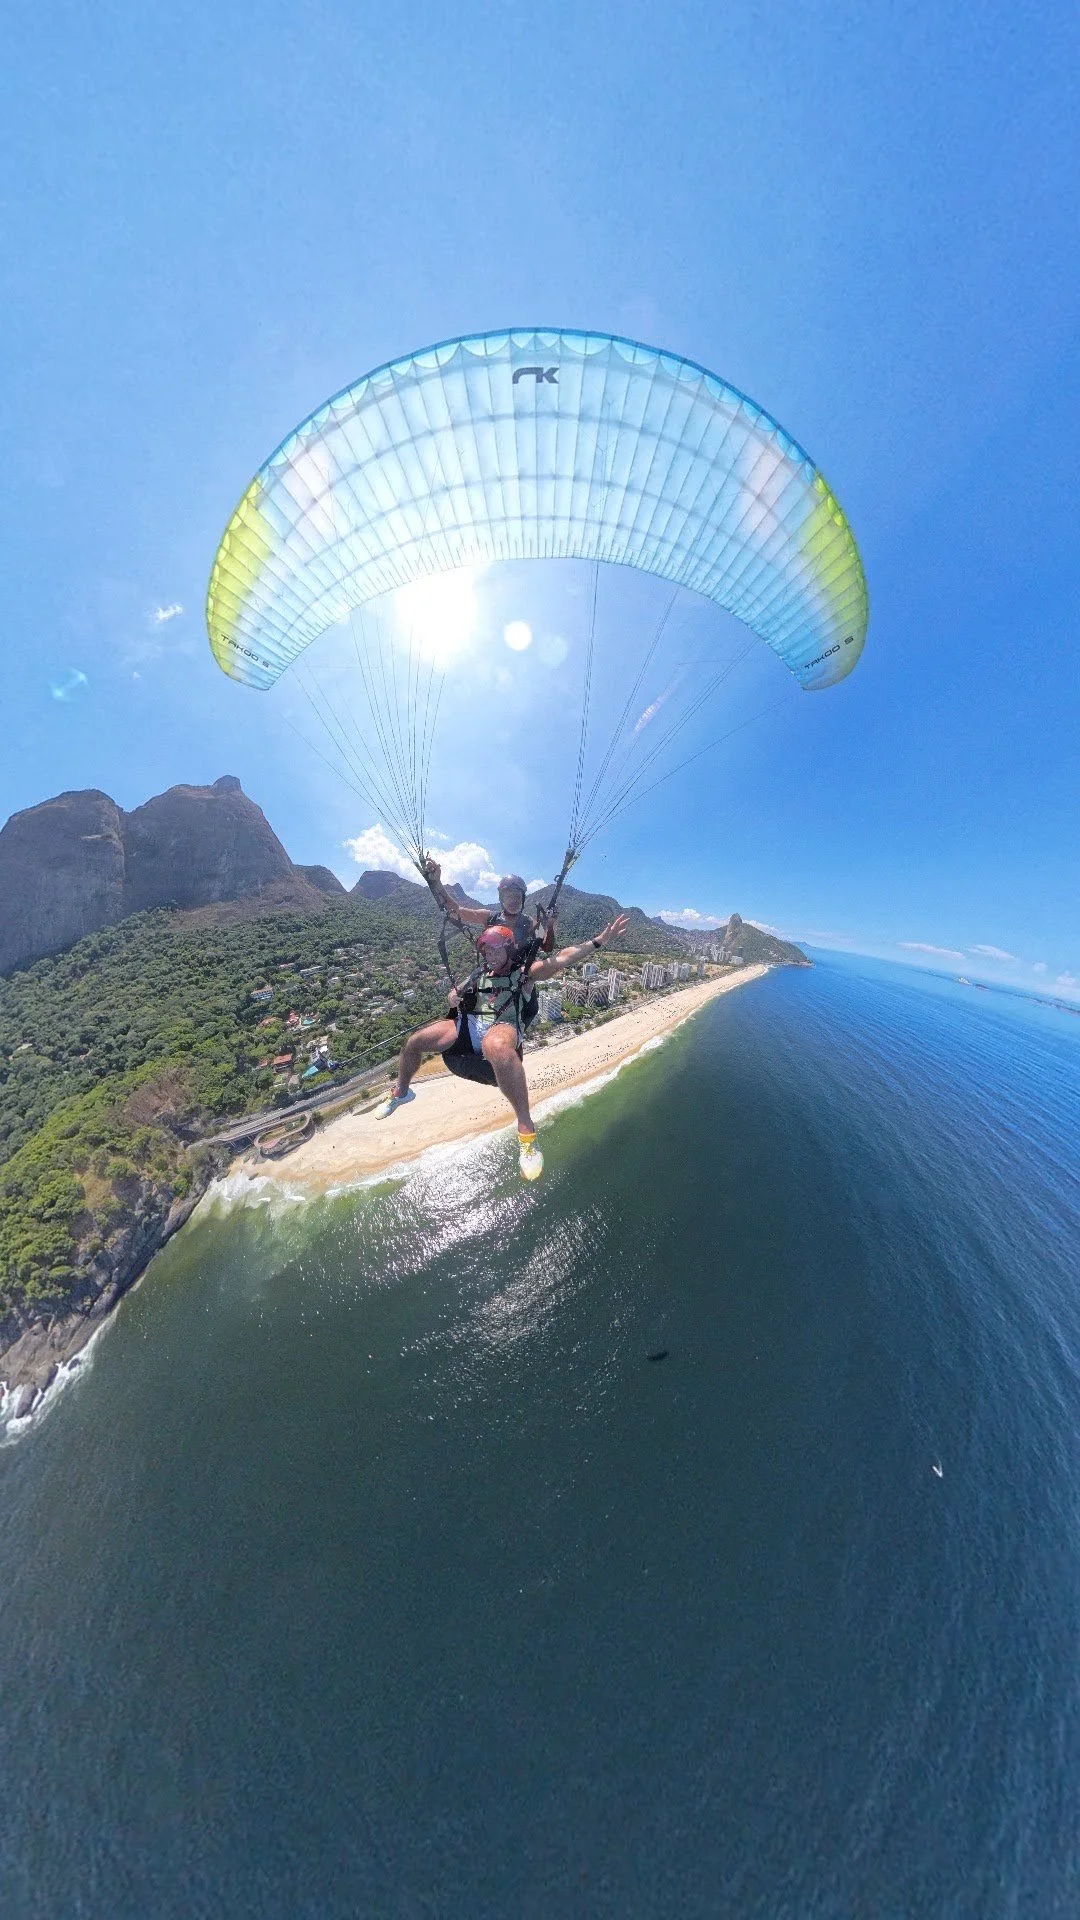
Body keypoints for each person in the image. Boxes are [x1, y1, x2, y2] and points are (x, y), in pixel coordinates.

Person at [375, 902, 631, 1181]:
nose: (491, 955)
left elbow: (561, 959)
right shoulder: (479, 974)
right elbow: (456, 994)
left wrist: (599, 940)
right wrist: (453, 997)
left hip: (504, 1025)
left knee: (494, 1046)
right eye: (487, 950)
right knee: (415, 1041)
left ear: (508, 949)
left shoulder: (524, 973)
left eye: (496, 949)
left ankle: (526, 1130)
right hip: (469, 1024)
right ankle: (401, 1092)